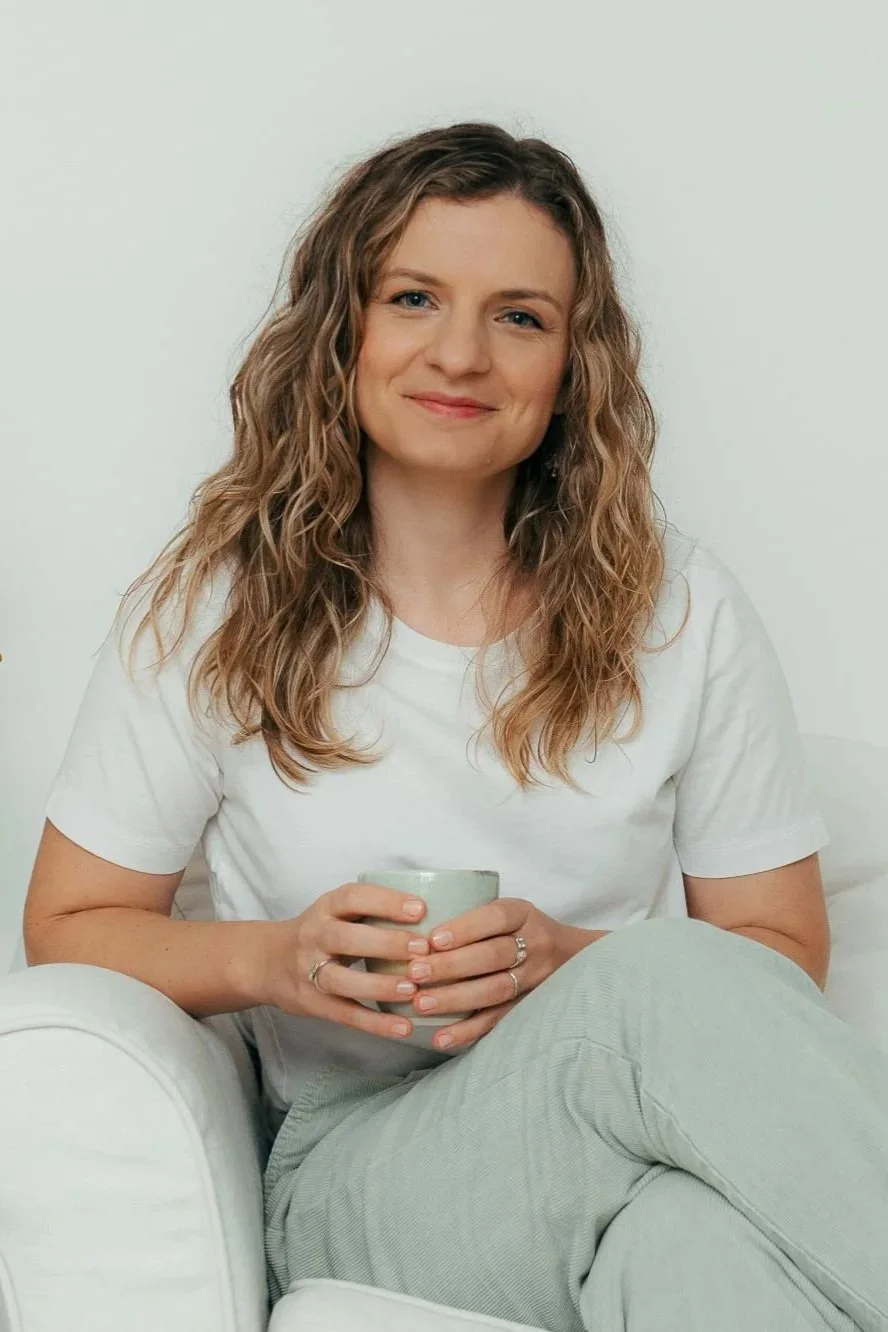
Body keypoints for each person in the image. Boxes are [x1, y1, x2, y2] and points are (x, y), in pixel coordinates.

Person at [22, 121, 886, 1332]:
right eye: (416, 297)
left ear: (572, 363)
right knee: (665, 983)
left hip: (635, 1154)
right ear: (347, 327)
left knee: (693, 1248)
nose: (462, 353)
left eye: (521, 316)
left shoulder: (680, 609)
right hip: (357, 1169)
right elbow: (65, 921)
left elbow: (778, 949)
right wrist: (275, 961)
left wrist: (561, 962)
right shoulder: (211, 608)